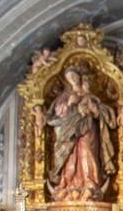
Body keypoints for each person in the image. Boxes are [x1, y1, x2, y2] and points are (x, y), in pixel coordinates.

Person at [48, 67, 117, 202]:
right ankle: (67, 183)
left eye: (74, 75)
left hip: (88, 130)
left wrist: (94, 110)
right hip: (70, 132)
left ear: (79, 77)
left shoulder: (90, 96)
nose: (73, 79)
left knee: (88, 151)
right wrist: (69, 104)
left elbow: (102, 113)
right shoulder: (65, 96)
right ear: (67, 80)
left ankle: (90, 181)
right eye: (69, 77)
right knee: (70, 155)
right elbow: (57, 114)